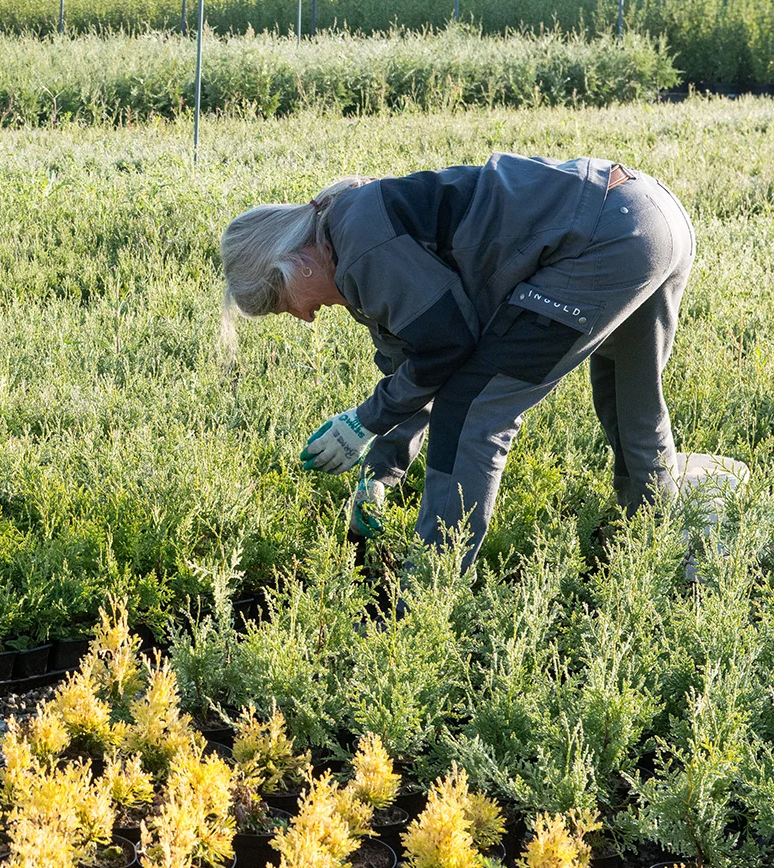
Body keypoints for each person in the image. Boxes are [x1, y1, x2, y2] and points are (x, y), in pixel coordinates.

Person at [220, 153, 695, 571]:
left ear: (293, 264)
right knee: (630, 397)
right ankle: (655, 550)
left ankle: (428, 597)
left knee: (473, 410)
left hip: (606, 237)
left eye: (285, 303)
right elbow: (414, 366)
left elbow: (448, 346)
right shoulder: (349, 233)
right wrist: (379, 475)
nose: (303, 317)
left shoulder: (361, 250)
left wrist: (363, 421)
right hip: (651, 217)